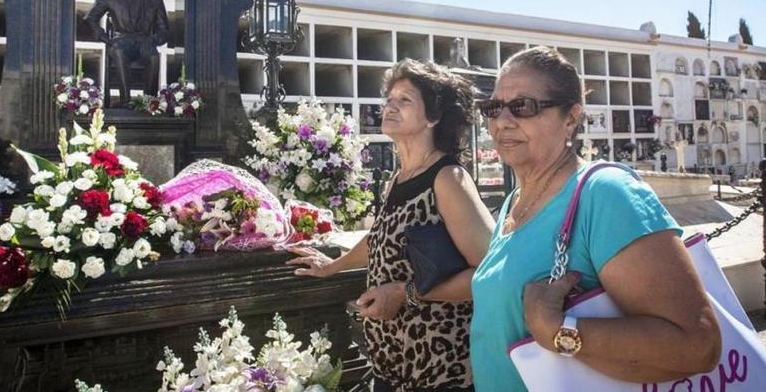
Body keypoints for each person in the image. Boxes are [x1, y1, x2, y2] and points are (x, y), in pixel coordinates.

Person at [471, 46, 721, 391]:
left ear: (571, 118)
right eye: (493, 107)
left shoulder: (605, 194)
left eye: (522, 106)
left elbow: (697, 345)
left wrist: (560, 331)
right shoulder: (515, 203)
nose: (502, 121)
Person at [288, 59, 493, 391]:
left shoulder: (448, 179)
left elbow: (488, 272)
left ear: (434, 117)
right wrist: (333, 266)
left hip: (439, 365)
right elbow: (381, 239)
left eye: (405, 100)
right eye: (389, 99)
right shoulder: (397, 180)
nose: (390, 107)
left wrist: (404, 293)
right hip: (391, 359)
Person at [84, 0, 169, 107]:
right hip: (121, 40)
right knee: (118, 49)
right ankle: (125, 101)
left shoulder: (155, 0)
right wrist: (103, 36)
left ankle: (149, 103)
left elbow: (164, 30)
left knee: (153, 55)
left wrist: (153, 39)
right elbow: (90, 18)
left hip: (144, 40)